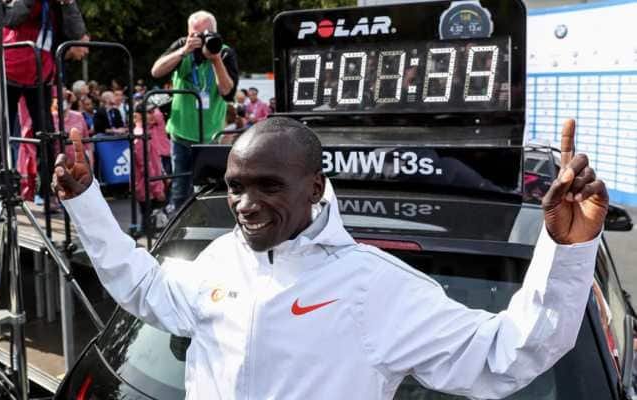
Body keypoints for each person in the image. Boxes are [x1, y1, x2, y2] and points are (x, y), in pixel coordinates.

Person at [53, 117, 609, 399]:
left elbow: (504, 354)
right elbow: (148, 290)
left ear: (316, 187)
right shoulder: (220, 260)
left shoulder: (374, 286)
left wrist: (566, 249)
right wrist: (86, 203)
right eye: (235, 186)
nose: (246, 205)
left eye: (267, 185)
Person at [150, 10, 239, 211]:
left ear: (214, 33)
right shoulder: (183, 46)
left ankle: (208, 225)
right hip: (181, 134)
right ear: (188, 33)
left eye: (205, 33)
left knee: (210, 188)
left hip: (211, 136)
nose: (200, 39)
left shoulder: (224, 52)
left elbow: (227, 92)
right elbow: (156, 71)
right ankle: (178, 229)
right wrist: (184, 51)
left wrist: (215, 59)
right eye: (195, 34)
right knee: (181, 187)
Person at [0, 0, 88, 169]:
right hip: (4, 71)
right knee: (0, 132)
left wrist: (68, 3)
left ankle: (45, 188)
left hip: (40, 76)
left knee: (46, 133)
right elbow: (11, 20)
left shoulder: (60, 5)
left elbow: (77, 34)